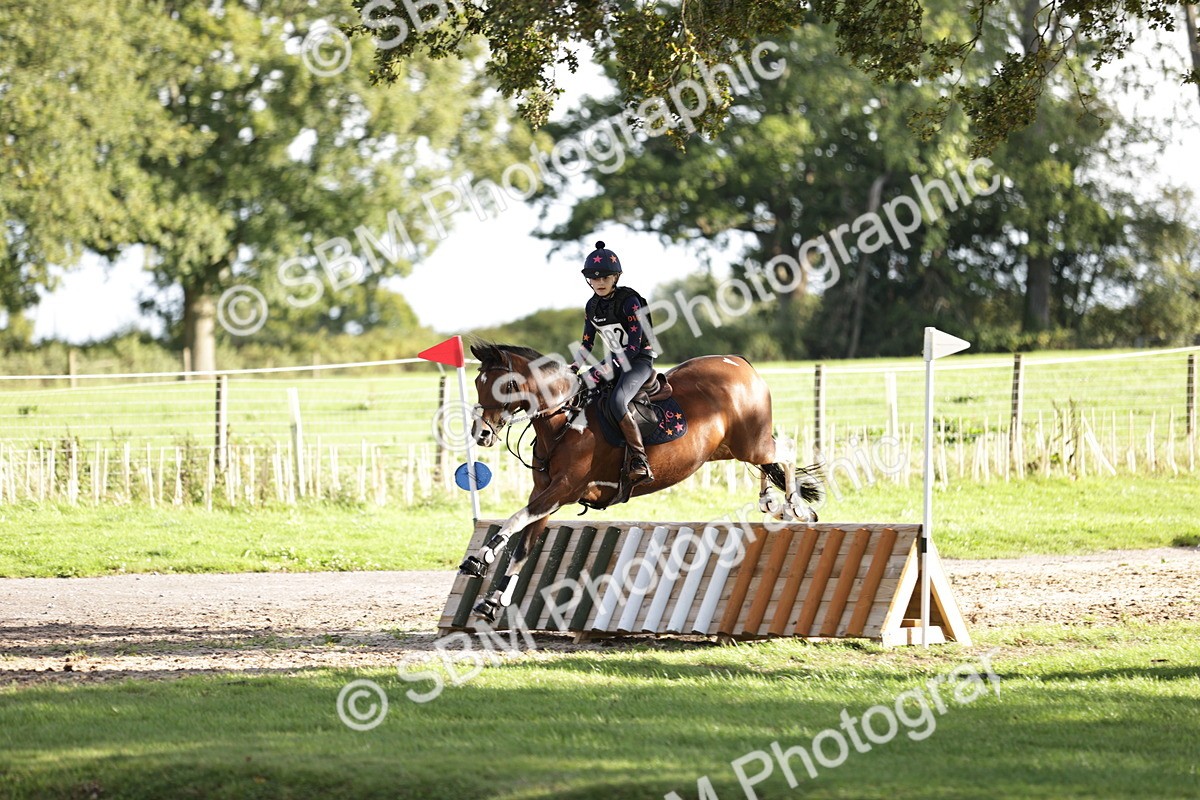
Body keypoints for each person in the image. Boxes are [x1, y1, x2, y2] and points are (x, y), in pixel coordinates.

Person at [574, 240, 657, 487]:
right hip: (616, 359)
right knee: (579, 386)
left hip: (640, 359)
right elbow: (586, 344)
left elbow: (633, 346)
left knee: (618, 400)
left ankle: (640, 460)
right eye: (594, 278)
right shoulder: (591, 306)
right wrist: (573, 368)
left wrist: (606, 369)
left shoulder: (629, 301)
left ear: (616, 277)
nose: (599, 283)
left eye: (606, 278)